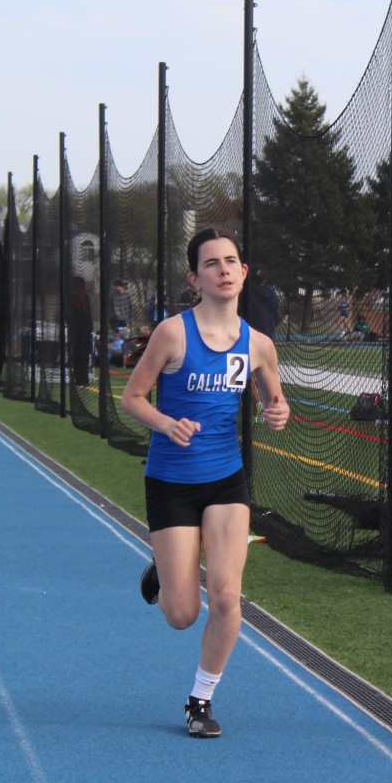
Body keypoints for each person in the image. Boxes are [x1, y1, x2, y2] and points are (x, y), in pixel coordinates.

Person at [120, 227, 289, 739]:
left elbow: (275, 401)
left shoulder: (258, 344)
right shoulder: (173, 334)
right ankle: (167, 565)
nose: (223, 270)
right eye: (211, 263)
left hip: (225, 482)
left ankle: (200, 701)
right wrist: (166, 423)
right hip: (171, 482)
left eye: (231, 261)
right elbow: (132, 398)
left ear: (243, 272)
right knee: (180, 614)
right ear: (195, 278)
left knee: (226, 597)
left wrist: (277, 412)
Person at [248, 266, 282, 340]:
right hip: (267, 333)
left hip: (250, 333)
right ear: (265, 279)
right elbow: (276, 315)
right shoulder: (271, 294)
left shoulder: (246, 294)